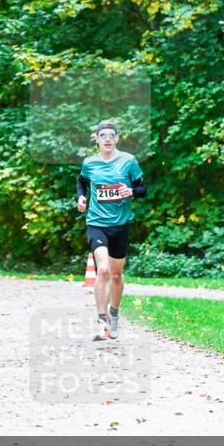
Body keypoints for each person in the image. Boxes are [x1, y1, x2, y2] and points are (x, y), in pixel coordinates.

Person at [76, 120, 146, 341]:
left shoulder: (128, 161)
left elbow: (143, 188)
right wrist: (81, 196)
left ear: (117, 138)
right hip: (96, 223)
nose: (107, 139)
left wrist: (131, 191)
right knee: (103, 270)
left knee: (116, 275)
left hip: (120, 225)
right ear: (96, 139)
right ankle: (100, 319)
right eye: (103, 135)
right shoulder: (89, 163)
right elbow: (81, 181)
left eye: (111, 135)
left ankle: (114, 313)